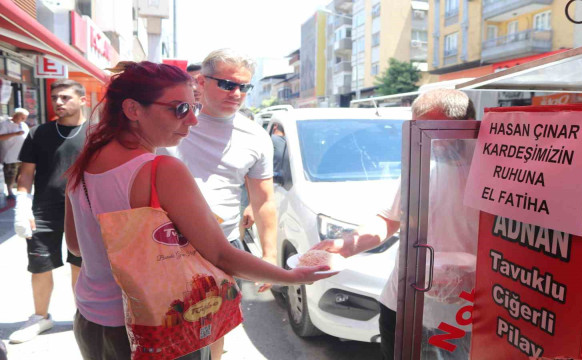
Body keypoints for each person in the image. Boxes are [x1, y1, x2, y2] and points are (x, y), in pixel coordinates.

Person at [63, 61, 334, 360]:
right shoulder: (159, 170)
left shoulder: (85, 161)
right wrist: (293, 276)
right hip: (155, 328)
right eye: (180, 109)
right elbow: (220, 255)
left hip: (91, 320)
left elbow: (75, 245)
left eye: (194, 107)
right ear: (132, 109)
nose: (192, 120)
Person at [312, 89, 478, 360]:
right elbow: (389, 220)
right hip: (401, 304)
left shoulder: (495, 173)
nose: (430, 141)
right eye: (418, 130)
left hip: (458, 315)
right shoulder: (424, 163)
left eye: (436, 130)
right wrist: (343, 246)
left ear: (469, 124)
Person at [163, 49, 277, 292]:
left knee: (217, 325)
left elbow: (264, 199)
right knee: (166, 324)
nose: (236, 94)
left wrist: (270, 255)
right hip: (164, 245)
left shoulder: (256, 136)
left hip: (224, 245)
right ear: (201, 82)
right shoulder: (168, 121)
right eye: (227, 84)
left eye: (244, 87)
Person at [9, 80, 87, 344]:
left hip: (84, 210)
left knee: (81, 265)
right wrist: (22, 204)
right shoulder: (39, 133)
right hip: (44, 208)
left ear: (82, 100)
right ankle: (40, 317)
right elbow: (26, 172)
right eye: (55, 97)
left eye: (65, 97)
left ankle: (83, 316)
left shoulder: (97, 133)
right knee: (39, 264)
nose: (58, 102)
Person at [0, 108, 29, 200]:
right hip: (10, 156)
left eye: (25, 118)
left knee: (22, 174)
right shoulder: (5, 124)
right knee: (10, 174)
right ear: (15, 116)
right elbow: (1, 137)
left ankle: (21, 191)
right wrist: (15, 134)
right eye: (22, 117)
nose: (24, 120)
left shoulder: (23, 125)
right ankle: (10, 191)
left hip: (23, 155)